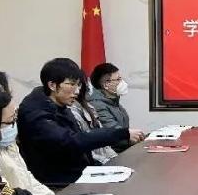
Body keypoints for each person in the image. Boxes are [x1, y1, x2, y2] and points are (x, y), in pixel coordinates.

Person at [18, 58, 130, 186]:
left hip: (80, 174)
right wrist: (119, 134)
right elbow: (70, 141)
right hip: (57, 183)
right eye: (71, 85)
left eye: (78, 85)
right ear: (52, 85)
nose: (77, 91)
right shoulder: (35, 112)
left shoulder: (59, 103)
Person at [89, 62, 146, 152]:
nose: (122, 82)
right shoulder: (97, 105)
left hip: (123, 150)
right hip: (112, 154)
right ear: (106, 85)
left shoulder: (114, 102)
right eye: (118, 79)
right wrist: (137, 138)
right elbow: (114, 135)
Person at [69, 73, 118, 166]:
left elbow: (104, 143)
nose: (89, 86)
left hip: (104, 161)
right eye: (73, 84)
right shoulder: (70, 111)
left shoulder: (88, 106)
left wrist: (115, 158)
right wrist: (107, 163)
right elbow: (84, 150)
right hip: (94, 165)